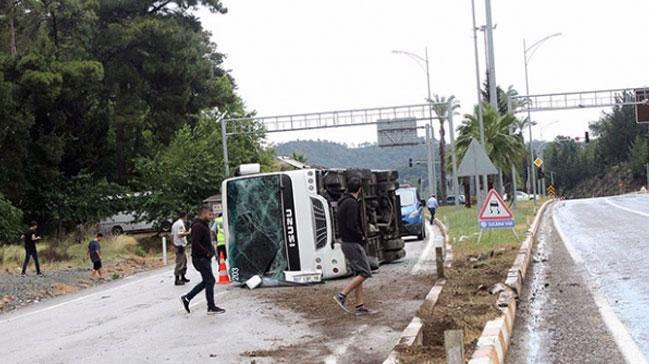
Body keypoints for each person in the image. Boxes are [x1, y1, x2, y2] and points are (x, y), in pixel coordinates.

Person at [333, 177, 373, 316]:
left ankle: (359, 306)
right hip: (352, 243)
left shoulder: (342, 202)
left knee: (358, 273)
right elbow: (352, 225)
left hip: (345, 242)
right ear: (360, 189)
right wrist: (360, 236)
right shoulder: (352, 203)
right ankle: (342, 295)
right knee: (365, 272)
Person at [180, 206, 225, 315]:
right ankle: (211, 306)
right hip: (200, 258)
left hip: (204, 258)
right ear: (204, 214)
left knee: (207, 281)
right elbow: (195, 243)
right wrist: (207, 252)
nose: (212, 217)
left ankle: (187, 298)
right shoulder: (198, 226)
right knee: (210, 280)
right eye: (210, 214)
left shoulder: (203, 225)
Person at [172, 212, 191, 286]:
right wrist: (188, 233)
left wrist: (173, 243)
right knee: (180, 262)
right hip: (180, 245)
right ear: (185, 216)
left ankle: (183, 276)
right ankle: (177, 279)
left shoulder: (175, 224)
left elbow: (172, 235)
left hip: (177, 244)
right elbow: (180, 234)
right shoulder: (180, 224)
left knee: (184, 261)